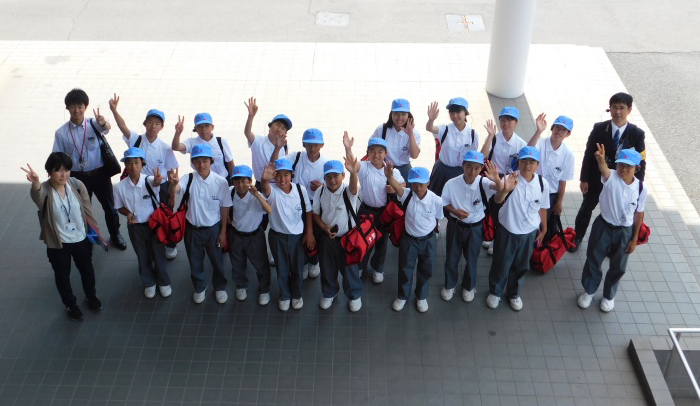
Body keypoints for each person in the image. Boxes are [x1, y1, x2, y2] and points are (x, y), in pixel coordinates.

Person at [23, 152, 103, 321]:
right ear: (49, 172)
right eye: (58, 170)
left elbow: (88, 211)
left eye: (66, 170)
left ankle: (91, 296)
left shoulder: (76, 184)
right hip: (59, 243)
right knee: (62, 275)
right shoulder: (45, 190)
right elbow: (37, 196)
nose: (64, 174)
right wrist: (36, 183)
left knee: (87, 270)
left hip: (81, 238)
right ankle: (70, 305)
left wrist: (94, 233)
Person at [570, 92, 646, 252]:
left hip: (623, 182)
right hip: (597, 178)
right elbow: (588, 154)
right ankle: (577, 236)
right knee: (586, 208)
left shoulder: (637, 134)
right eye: (614, 107)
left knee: (617, 213)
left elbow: (641, 162)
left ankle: (613, 245)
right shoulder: (599, 128)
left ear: (629, 110)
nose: (617, 111)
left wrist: (637, 186)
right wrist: (584, 178)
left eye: (622, 108)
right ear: (609, 108)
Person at [52, 88, 126, 250]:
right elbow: (57, 158)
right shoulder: (61, 133)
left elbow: (107, 127)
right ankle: (89, 238)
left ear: (86, 107)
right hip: (78, 177)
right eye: (72, 106)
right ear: (67, 108)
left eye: (80, 106)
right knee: (82, 210)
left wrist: (103, 122)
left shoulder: (94, 124)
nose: (77, 110)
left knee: (111, 208)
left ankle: (115, 234)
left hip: (100, 174)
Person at [108, 94, 180, 259]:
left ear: (161, 127)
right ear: (145, 123)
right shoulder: (136, 139)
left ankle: (170, 245)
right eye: (149, 122)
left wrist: (171, 195)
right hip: (139, 185)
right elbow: (122, 126)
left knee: (166, 216)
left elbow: (171, 173)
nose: (152, 126)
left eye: (157, 123)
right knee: (146, 216)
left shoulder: (165, 148)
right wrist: (114, 111)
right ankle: (152, 243)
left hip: (160, 185)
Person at [577, 147, 647, 312]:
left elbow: (639, 213)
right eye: (621, 164)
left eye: (628, 166)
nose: (623, 169)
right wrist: (601, 159)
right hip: (603, 226)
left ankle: (609, 295)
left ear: (636, 168)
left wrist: (634, 238)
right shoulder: (610, 177)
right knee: (593, 258)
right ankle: (590, 290)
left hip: (625, 231)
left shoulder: (641, 188)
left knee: (619, 265)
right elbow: (604, 168)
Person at [486, 146, 549, 311]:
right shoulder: (510, 179)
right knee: (501, 263)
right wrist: (505, 189)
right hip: (508, 231)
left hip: (528, 233)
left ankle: (514, 293)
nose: (527, 166)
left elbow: (542, 207)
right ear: (518, 163)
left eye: (532, 162)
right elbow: (498, 201)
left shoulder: (542, 184)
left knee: (521, 265)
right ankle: (495, 292)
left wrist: (544, 228)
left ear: (537, 165)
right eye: (523, 161)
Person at [167, 144, 232, 304]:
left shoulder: (221, 182)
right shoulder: (188, 179)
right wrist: (172, 183)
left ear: (212, 161)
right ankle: (200, 287)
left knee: (217, 260)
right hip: (192, 230)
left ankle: (220, 287)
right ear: (192, 163)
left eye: (205, 160)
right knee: (195, 261)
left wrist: (223, 231)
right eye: (197, 161)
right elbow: (175, 190)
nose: (201, 165)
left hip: (213, 230)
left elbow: (225, 208)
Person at [441, 151, 502, 302]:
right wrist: (455, 211)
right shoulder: (451, 183)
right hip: (455, 225)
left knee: (472, 258)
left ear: (481, 168)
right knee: (452, 257)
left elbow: (500, 190)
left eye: (476, 168)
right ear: (462, 165)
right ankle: (450, 284)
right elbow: (444, 202)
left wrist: (497, 179)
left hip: (475, 228)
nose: (472, 171)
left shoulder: (484, 183)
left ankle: (469, 286)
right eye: (468, 167)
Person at [113, 147, 171, 299]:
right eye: (129, 163)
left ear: (142, 163)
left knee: (158, 254)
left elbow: (157, 184)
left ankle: (163, 282)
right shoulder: (119, 187)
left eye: (136, 162)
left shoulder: (150, 181)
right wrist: (128, 213)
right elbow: (119, 207)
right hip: (136, 227)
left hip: (155, 226)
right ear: (125, 164)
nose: (133, 166)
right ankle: (149, 283)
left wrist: (159, 182)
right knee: (142, 255)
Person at [385, 164, 444, 313]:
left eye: (421, 184)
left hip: (428, 240)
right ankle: (403, 296)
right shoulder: (407, 195)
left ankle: (421, 296)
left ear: (428, 183)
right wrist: (389, 176)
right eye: (414, 184)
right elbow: (396, 187)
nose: (418, 188)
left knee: (426, 269)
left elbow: (438, 218)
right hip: (409, 239)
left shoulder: (436, 200)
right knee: (405, 268)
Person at [343, 135, 400, 284]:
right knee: (363, 240)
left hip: (384, 213)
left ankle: (378, 268)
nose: (376, 155)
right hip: (366, 211)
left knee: (382, 243)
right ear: (367, 153)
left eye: (380, 151)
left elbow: (403, 186)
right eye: (372, 151)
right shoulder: (364, 167)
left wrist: (393, 189)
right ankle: (361, 266)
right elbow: (352, 164)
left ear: (386, 154)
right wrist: (348, 148)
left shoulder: (390, 169)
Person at [260, 159, 315, 311]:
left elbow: (308, 211)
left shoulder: (300, 189)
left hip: (298, 238)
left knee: (297, 267)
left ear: (292, 175)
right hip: (278, 237)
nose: (282, 179)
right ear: (273, 177)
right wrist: (264, 179)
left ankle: (296, 295)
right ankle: (284, 295)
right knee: (282, 268)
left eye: (286, 175)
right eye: (278, 175)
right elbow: (264, 188)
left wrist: (309, 232)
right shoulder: (272, 190)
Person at [312, 157, 363, 312]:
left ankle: (354, 295)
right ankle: (329, 293)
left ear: (343, 175)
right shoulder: (320, 192)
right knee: (327, 267)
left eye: (336, 176)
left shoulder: (349, 191)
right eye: (328, 176)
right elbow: (315, 214)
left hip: (348, 239)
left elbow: (354, 186)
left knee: (350, 270)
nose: (332, 180)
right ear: (324, 178)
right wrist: (323, 227)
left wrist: (354, 172)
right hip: (328, 239)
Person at [480, 107, 527, 256]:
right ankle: (490, 235)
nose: (506, 122)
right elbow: (482, 155)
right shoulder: (495, 137)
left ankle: (496, 241)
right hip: (493, 177)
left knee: (502, 211)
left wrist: (511, 180)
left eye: (510, 119)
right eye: (503, 119)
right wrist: (489, 136)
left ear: (516, 122)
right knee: (491, 208)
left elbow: (523, 166)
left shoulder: (520, 144)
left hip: (509, 179)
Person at [283, 128, 328, 280]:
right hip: (297, 203)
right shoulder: (296, 157)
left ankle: (314, 261)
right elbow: (279, 164)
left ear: (322, 145)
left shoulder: (325, 164)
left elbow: (335, 186)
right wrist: (277, 147)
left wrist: (322, 187)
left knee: (316, 234)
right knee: (298, 235)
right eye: (309, 144)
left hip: (316, 205)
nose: (312, 148)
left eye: (315, 145)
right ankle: (301, 263)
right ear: (303, 144)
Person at [227, 165, 273, 305]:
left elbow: (269, 210)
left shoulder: (256, 195)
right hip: (236, 235)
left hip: (254, 236)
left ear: (250, 181)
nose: (240, 185)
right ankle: (241, 286)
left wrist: (257, 195)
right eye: (237, 181)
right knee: (237, 263)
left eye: (244, 181)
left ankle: (264, 289)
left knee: (261, 264)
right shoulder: (230, 192)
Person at [425, 97, 480, 196]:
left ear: (465, 113)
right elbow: (430, 128)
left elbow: (473, 156)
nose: (455, 116)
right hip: (442, 170)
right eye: (452, 112)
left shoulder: (472, 134)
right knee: (437, 196)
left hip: (460, 172)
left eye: (458, 112)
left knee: (456, 199)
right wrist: (431, 120)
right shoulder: (445, 129)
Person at [527, 114, 575, 219]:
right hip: (532, 189)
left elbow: (563, 181)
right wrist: (538, 131)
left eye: (564, 129)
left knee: (544, 223)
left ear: (568, 134)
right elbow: (528, 151)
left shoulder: (568, 155)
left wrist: (559, 202)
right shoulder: (540, 143)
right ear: (552, 128)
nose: (559, 131)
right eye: (557, 127)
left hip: (550, 195)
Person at [243, 97, 292, 185]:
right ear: (270, 126)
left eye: (283, 128)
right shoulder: (258, 141)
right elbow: (247, 132)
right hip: (261, 184)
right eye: (277, 125)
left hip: (278, 185)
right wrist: (251, 116)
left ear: (285, 133)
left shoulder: (284, 146)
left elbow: (279, 166)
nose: (279, 129)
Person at [370, 98, 421, 180]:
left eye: (403, 114)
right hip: (383, 168)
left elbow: (414, 155)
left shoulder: (414, 133)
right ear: (391, 114)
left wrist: (410, 134)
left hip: (404, 169)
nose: (400, 118)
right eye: (396, 113)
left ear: (408, 115)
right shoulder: (382, 130)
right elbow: (371, 149)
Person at [172, 113, 234, 180]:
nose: (203, 129)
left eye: (206, 126)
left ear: (212, 127)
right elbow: (176, 147)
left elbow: (230, 162)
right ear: (195, 129)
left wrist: (233, 181)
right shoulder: (192, 142)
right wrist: (178, 133)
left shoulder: (221, 141)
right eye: (199, 126)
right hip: (201, 181)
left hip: (223, 180)